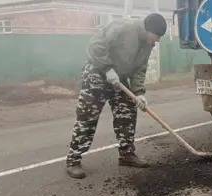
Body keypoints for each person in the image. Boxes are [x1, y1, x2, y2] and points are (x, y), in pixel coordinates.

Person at [65, 13, 167, 179]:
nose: (157, 40)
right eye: (157, 36)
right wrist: (107, 68)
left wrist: (139, 93)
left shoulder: (148, 45)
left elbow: (140, 69)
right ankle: (73, 160)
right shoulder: (124, 27)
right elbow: (96, 44)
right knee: (87, 117)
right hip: (97, 73)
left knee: (127, 111)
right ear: (148, 30)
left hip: (119, 78)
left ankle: (127, 154)